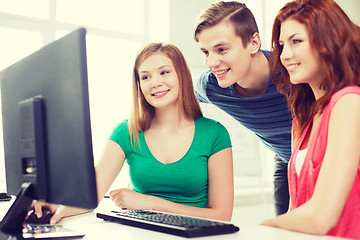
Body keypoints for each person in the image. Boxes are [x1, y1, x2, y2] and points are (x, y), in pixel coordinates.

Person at [31, 43, 234, 223]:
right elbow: (90, 196)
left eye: (164, 72)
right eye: (145, 77)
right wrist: (57, 207)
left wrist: (151, 203)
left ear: (182, 76)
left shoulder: (214, 134)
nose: (154, 83)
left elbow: (221, 215)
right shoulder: (126, 132)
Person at [260, 0, 360, 238]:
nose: (285, 55)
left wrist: (261, 228)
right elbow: (297, 210)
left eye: (297, 41)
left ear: (329, 40)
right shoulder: (301, 122)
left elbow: (321, 218)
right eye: (282, 45)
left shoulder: (349, 102)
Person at [193, 1, 292, 216]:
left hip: (329, 159)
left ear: (254, 42)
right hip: (285, 162)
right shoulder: (211, 86)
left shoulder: (292, 70)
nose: (211, 62)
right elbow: (177, 100)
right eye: (206, 52)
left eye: (222, 49)